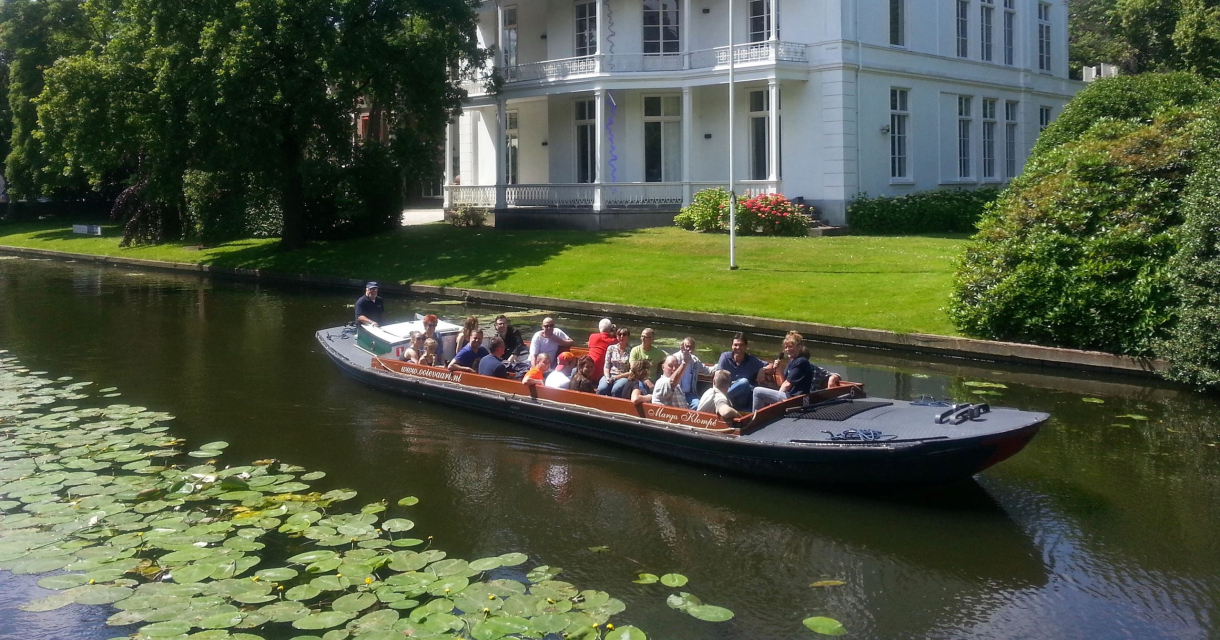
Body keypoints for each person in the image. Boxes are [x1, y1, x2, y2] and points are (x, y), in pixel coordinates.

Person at [752, 332, 841, 412]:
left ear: (799, 347)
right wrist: (779, 370)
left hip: (796, 399)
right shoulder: (792, 361)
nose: (787, 350)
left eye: (790, 347)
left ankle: (755, 420)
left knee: (757, 391)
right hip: (788, 395)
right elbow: (784, 382)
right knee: (759, 389)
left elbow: (786, 384)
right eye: (786, 347)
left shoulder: (801, 361)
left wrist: (775, 403)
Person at [713, 332, 769, 411]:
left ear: (746, 347)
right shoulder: (725, 357)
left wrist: (762, 369)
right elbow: (718, 376)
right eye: (735, 345)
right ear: (732, 346)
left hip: (742, 400)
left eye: (741, 345)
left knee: (744, 382)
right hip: (727, 395)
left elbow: (771, 365)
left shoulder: (752, 360)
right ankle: (719, 400)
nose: (738, 347)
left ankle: (714, 400)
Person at [675, 337, 713, 409]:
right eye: (687, 346)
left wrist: (720, 366)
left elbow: (707, 371)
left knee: (698, 405)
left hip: (689, 394)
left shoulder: (695, 360)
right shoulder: (674, 358)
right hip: (676, 393)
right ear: (682, 346)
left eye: (691, 347)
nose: (688, 349)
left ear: (694, 348)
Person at [597, 327, 633, 397]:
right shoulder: (611, 348)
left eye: (624, 334)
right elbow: (607, 365)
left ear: (628, 337)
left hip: (623, 376)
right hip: (610, 374)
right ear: (616, 336)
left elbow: (631, 371)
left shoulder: (631, 350)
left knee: (616, 389)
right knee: (602, 389)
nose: (621, 336)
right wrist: (607, 377)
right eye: (619, 334)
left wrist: (616, 377)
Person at [587, 319, 617, 383]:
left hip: (587, 370)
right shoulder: (613, 341)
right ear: (610, 329)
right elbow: (620, 341)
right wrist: (615, 332)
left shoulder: (592, 336)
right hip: (601, 373)